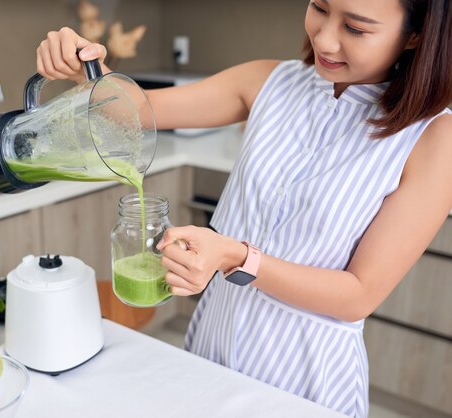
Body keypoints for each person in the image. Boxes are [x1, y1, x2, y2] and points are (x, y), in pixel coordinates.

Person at [36, 1, 452, 416]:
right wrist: (87, 69)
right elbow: (140, 110)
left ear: (415, 34)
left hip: (305, 374)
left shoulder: (434, 137)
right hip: (212, 347)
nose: (324, 37)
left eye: (356, 28)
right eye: (319, 8)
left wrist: (237, 256)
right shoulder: (270, 81)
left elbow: (357, 295)